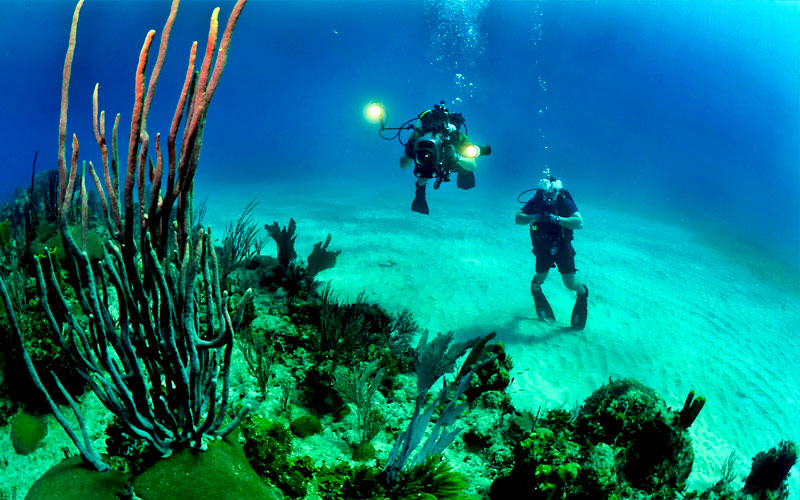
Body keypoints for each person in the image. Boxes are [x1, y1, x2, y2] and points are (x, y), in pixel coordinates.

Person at [515, 171, 589, 329]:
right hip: (542, 247)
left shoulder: (564, 202)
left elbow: (579, 223)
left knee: (569, 283)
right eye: (546, 192)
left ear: (557, 191)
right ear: (541, 191)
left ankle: (582, 292)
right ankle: (535, 288)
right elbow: (518, 218)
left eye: (553, 192)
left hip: (562, 247)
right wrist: (534, 217)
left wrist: (557, 219)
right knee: (540, 278)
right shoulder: (536, 202)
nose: (549, 196)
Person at [398, 102, 481, 214]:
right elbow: (403, 166)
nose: (436, 129)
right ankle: (420, 194)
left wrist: (456, 157)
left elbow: (472, 166)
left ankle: (463, 174)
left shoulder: (457, 137)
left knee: (464, 168)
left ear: (447, 125)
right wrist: (409, 152)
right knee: (422, 176)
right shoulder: (418, 135)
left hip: (452, 162)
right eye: (432, 124)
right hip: (430, 163)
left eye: (440, 125)